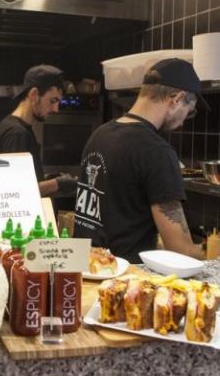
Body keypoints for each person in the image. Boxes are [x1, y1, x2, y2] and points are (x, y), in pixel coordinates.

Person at [73, 58, 206, 262]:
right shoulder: (157, 152)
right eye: (190, 112)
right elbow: (181, 252)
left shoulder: (100, 134)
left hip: (84, 267)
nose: (183, 122)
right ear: (177, 98)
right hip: (125, 275)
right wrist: (216, 254)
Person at [0, 64, 77, 197]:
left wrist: (49, 178)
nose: (56, 109)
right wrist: (58, 184)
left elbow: (24, 179)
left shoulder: (16, 126)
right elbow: (16, 192)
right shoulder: (16, 133)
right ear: (34, 95)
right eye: (53, 101)